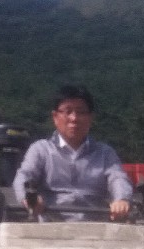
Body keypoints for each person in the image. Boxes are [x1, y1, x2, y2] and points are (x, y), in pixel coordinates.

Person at [13, 85, 133, 221]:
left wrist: (122, 199)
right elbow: (24, 176)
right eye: (67, 111)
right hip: (50, 231)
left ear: (90, 118)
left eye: (81, 112)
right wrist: (29, 198)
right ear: (55, 117)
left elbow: (118, 178)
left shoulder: (105, 153)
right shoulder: (40, 149)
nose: (74, 118)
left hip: (96, 231)